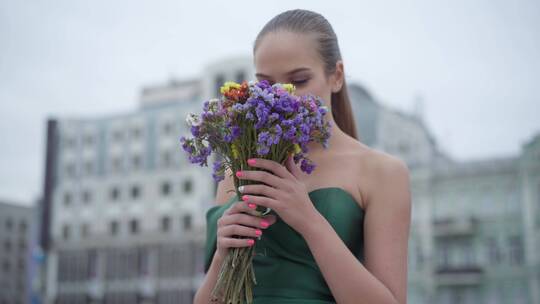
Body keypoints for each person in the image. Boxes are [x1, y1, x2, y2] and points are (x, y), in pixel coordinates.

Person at [194, 8, 411, 304]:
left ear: (336, 76)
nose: (283, 97)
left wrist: (308, 220)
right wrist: (222, 256)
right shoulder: (238, 171)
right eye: (267, 85)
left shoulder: (382, 172)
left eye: (298, 81)